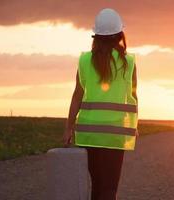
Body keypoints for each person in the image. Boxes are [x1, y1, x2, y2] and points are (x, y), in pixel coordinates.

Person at [62, 8, 138, 200]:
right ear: (120, 34)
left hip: (89, 134)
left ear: (95, 35)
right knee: (110, 189)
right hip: (115, 134)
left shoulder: (85, 60)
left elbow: (77, 95)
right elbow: (132, 97)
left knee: (97, 187)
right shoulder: (128, 62)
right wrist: (134, 125)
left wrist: (69, 127)